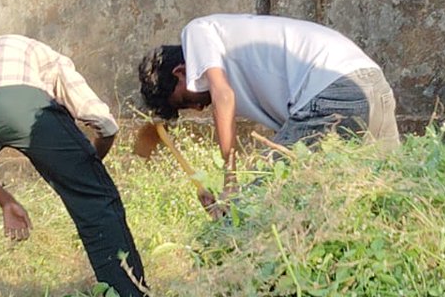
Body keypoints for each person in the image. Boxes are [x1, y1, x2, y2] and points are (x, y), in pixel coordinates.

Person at [0, 35, 148, 297]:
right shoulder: (48, 57)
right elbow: (104, 124)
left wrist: (5, 200)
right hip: (21, 101)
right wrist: (85, 169)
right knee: (95, 200)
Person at [138, 14, 400, 217]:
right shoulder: (234, 48)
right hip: (372, 83)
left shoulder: (197, 31)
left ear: (180, 72)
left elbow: (223, 96)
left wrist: (231, 185)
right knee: (393, 195)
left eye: (185, 101)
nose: (197, 109)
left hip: (330, 89)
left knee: (252, 205)